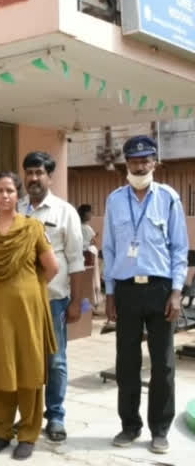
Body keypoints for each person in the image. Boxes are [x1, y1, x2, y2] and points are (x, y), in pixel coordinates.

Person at [102, 136, 188, 454]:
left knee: (163, 363)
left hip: (161, 290)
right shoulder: (114, 200)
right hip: (126, 290)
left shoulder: (168, 198)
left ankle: (160, 429)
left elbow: (180, 249)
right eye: (133, 161)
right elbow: (109, 249)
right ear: (126, 164)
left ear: (155, 162)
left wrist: (177, 292)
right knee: (127, 362)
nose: (139, 166)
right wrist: (109, 293)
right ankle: (130, 425)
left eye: (145, 160)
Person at [0, 171, 58, 460]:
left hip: (27, 312)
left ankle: (29, 433)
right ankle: (1, 430)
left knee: (29, 369)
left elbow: (52, 267)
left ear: (18, 195)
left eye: (9, 190)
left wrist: (31, 287)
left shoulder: (32, 228)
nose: (5, 196)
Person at [18, 151, 85, 443]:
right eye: (29, 173)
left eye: (39, 173)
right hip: (21, 301)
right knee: (25, 360)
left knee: (55, 360)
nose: (33, 178)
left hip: (54, 300)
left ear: (49, 176)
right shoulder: (17, 209)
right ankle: (28, 414)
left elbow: (77, 260)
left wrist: (77, 302)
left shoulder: (64, 211)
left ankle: (55, 415)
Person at [78, 204, 102, 313]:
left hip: (85, 256)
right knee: (92, 281)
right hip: (88, 256)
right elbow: (94, 242)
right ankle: (92, 305)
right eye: (90, 212)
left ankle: (90, 306)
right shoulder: (85, 228)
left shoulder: (81, 227)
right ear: (84, 214)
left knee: (89, 282)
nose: (91, 214)